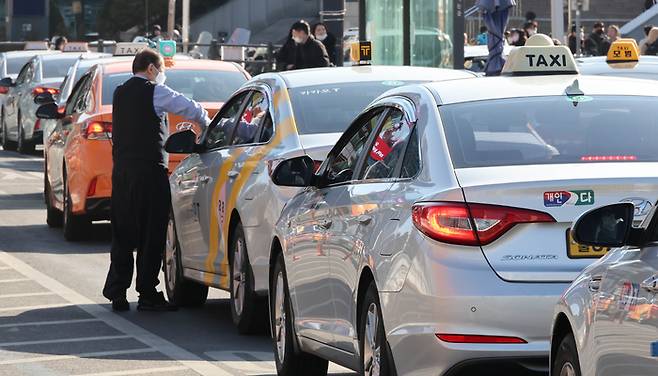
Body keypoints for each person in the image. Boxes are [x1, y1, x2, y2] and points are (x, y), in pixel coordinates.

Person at [103, 49, 211, 312]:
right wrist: (207, 123)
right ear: (151, 69)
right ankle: (147, 292)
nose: (162, 75)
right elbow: (189, 107)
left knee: (123, 231)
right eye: (161, 70)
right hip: (150, 171)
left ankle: (117, 292)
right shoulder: (154, 90)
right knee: (152, 232)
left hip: (122, 172)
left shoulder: (120, 92)